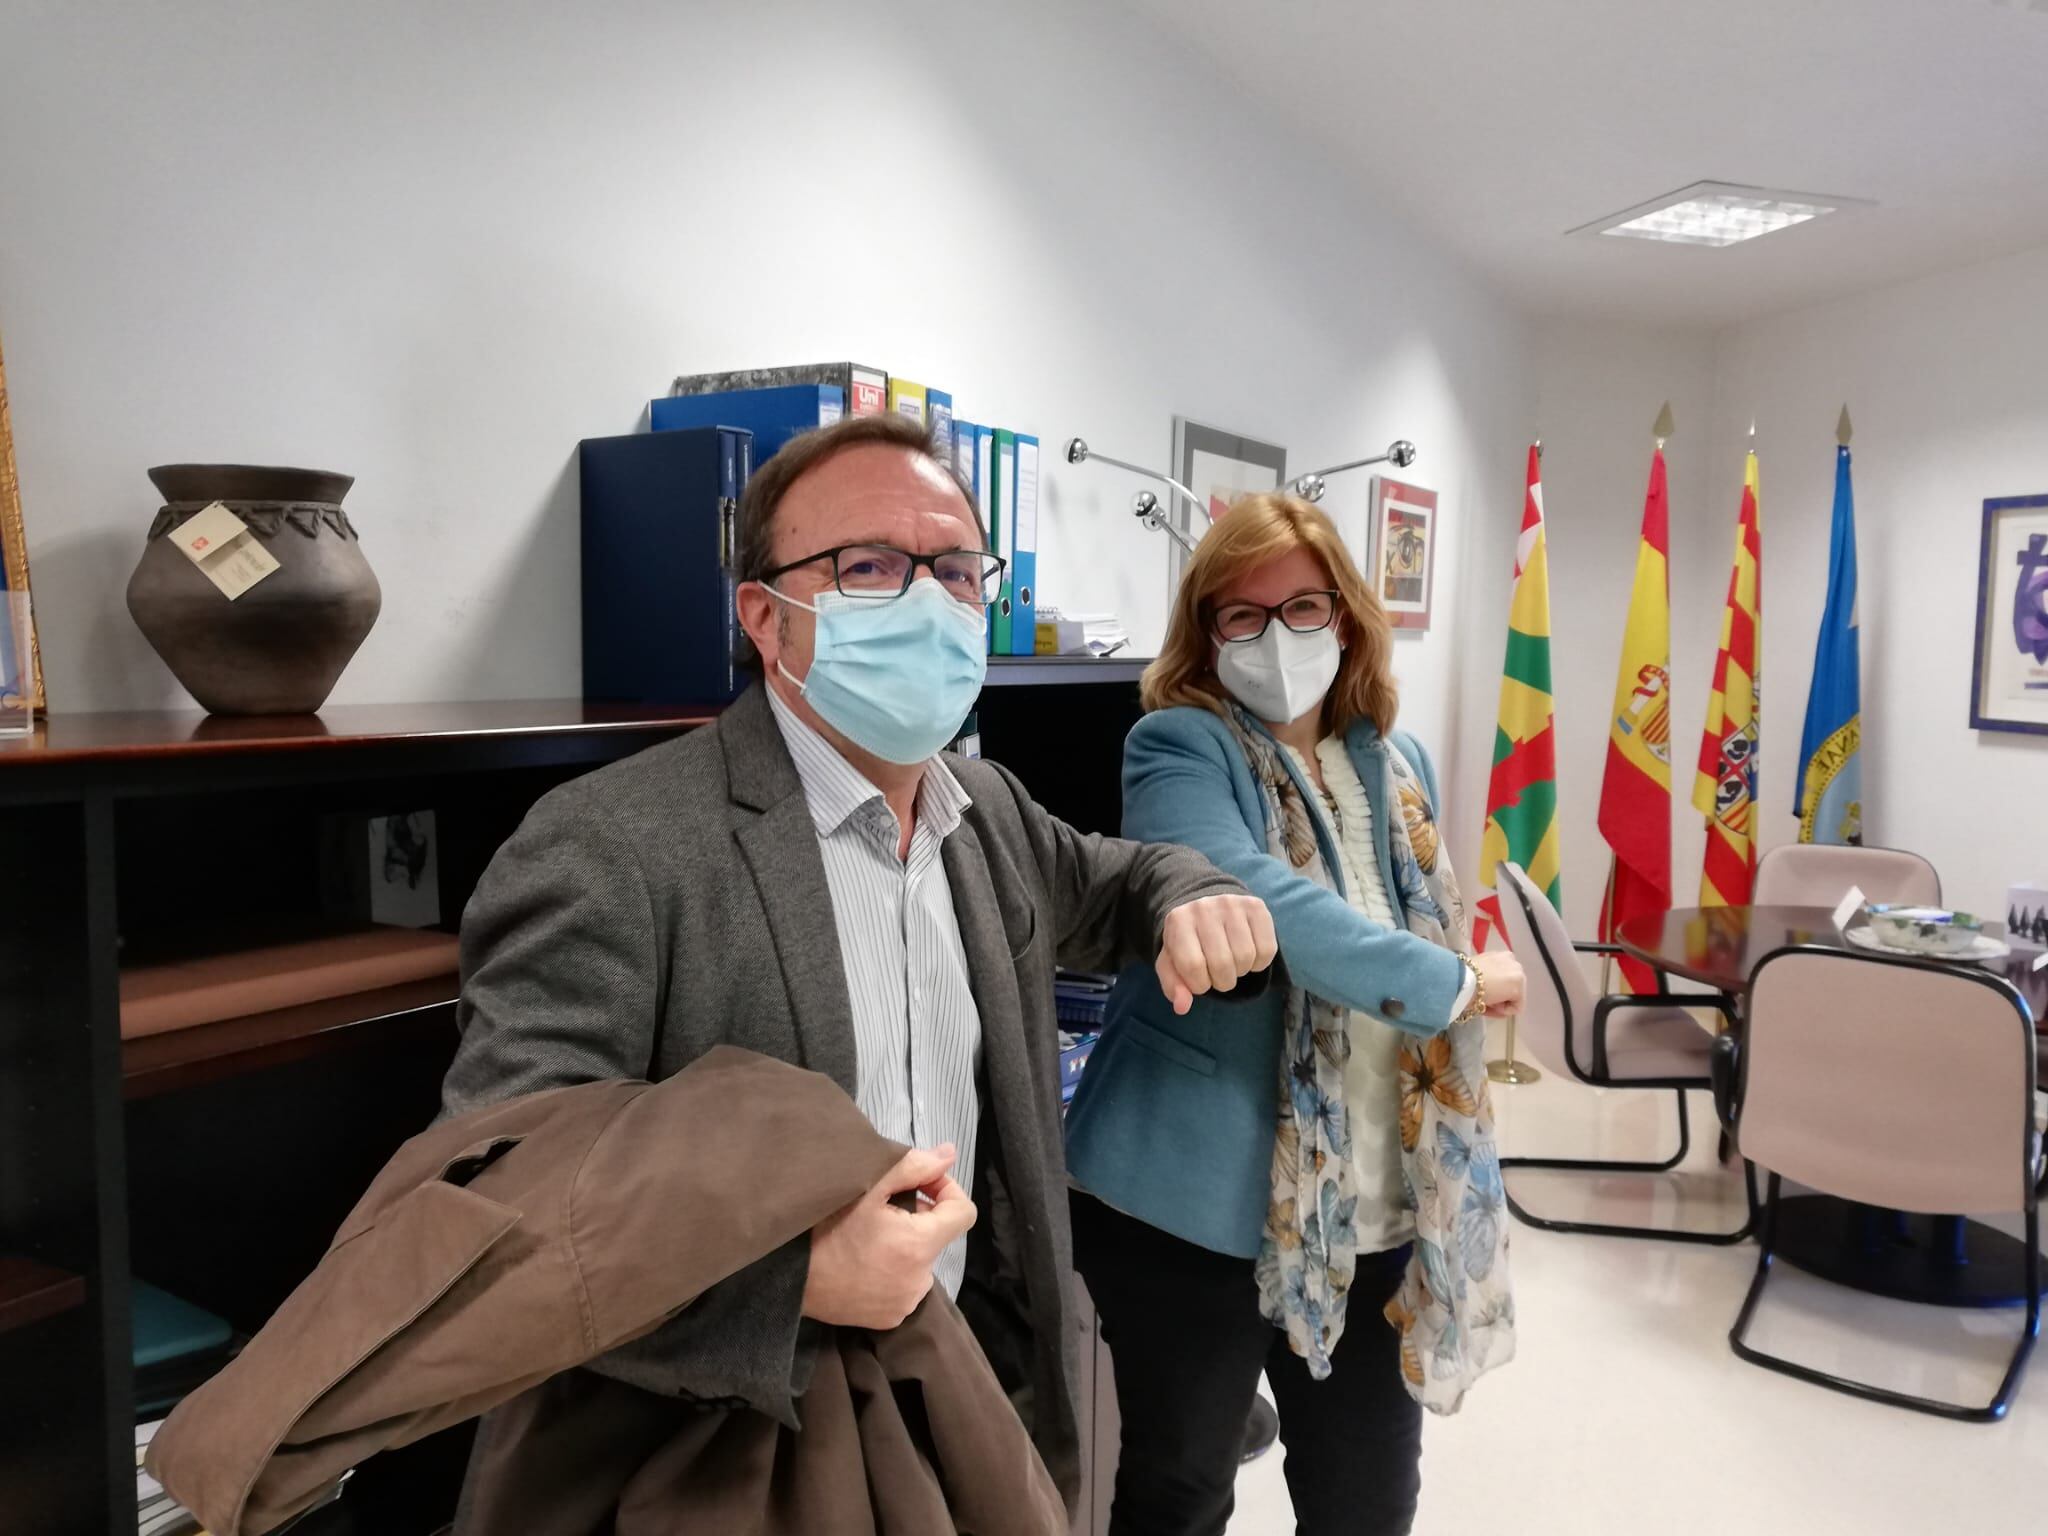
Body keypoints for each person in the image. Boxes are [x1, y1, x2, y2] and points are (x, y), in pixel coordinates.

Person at [438, 410, 1278, 1517]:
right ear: (765, 617)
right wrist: (786, 1283)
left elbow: (1115, 879)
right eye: (868, 568)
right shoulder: (610, 845)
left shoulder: (983, 807)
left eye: (955, 572)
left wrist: (1193, 890)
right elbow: (497, 1197)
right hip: (732, 1446)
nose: (928, 604)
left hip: (966, 1394)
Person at [1063, 491, 1527, 1536]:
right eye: (1243, 614)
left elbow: (1411, 909)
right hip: (1188, 1210)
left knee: (1366, 1497)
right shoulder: (1176, 747)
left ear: (1346, 617)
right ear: (1207, 633)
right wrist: (1451, 982)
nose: (1277, 637)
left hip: (1374, 1200)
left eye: (1303, 608)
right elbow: (1257, 902)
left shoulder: (1396, 763)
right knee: (1182, 1490)